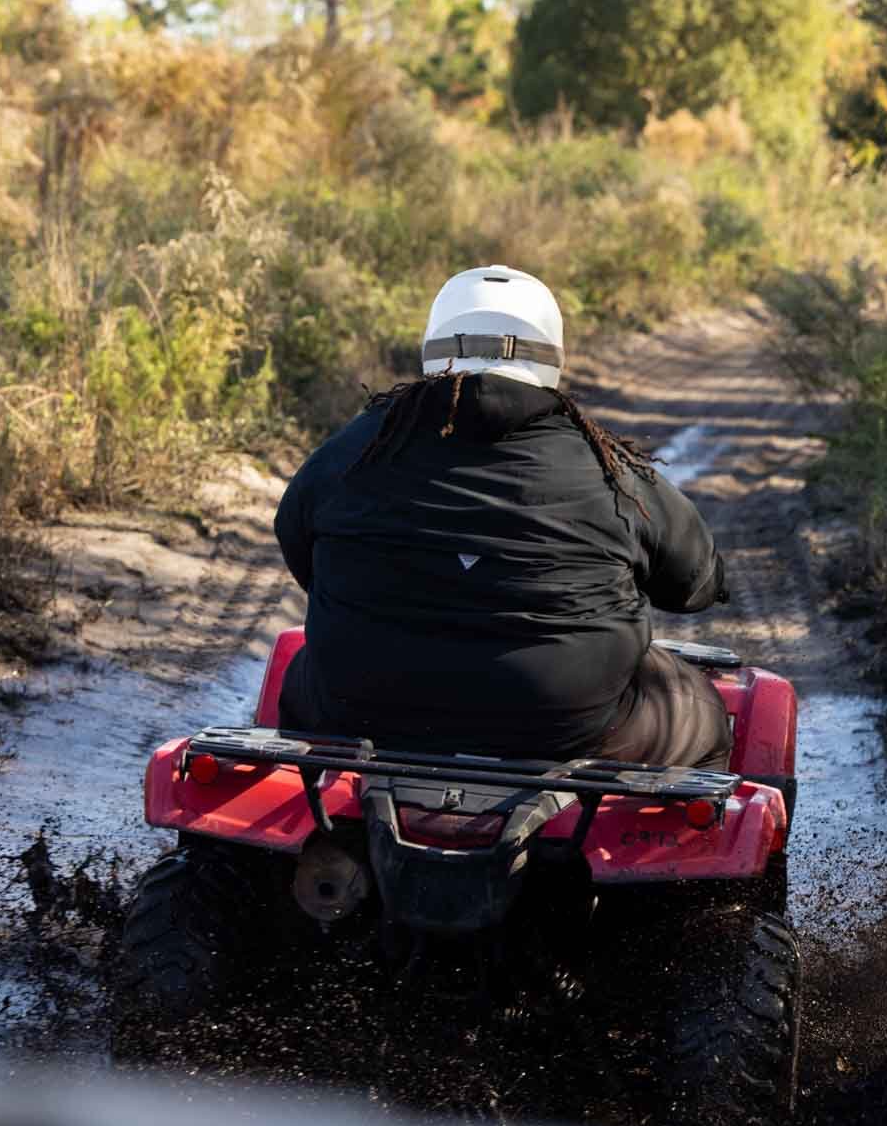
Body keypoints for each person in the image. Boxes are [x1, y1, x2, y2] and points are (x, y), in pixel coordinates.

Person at [273, 265, 730, 769]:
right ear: (552, 357)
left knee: (299, 677)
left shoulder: (354, 447)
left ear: (434, 347)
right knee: (704, 711)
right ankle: (666, 846)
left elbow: (300, 551)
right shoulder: (610, 468)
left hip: (359, 712)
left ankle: (303, 839)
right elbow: (694, 585)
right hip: (564, 727)